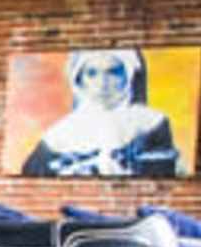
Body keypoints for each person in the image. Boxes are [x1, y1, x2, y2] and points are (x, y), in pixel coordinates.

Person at [22, 47, 183, 177]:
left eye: (113, 72)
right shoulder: (58, 136)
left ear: (128, 75)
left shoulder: (151, 123)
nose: (102, 83)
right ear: (79, 79)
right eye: (92, 73)